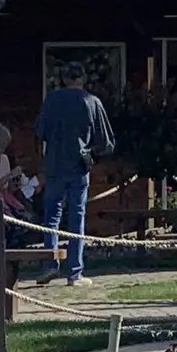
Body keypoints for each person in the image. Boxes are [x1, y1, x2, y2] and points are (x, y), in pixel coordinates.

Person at [34, 61, 115, 285]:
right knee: (76, 217)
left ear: (64, 79)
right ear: (82, 78)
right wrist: (91, 153)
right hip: (79, 166)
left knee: (51, 217)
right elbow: (106, 142)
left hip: (54, 165)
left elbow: (40, 131)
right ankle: (74, 272)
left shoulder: (52, 100)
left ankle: (49, 265)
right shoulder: (91, 101)